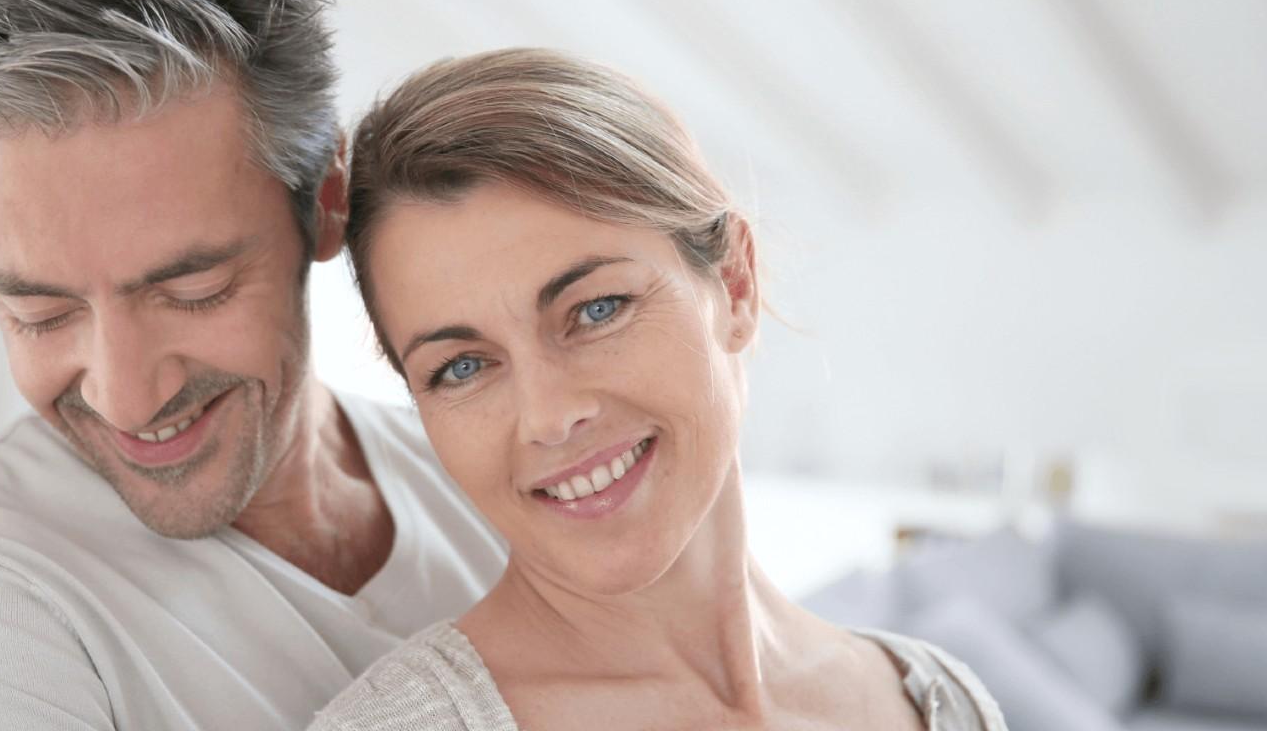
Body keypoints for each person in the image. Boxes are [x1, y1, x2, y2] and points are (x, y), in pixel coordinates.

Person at [0, 0, 506, 729]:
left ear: (328, 198)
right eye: (42, 314)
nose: (128, 396)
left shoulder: (504, 478)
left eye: (192, 291)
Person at [310, 48, 1008, 730]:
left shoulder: (939, 701)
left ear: (735, 285)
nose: (549, 416)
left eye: (596, 310)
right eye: (462, 367)